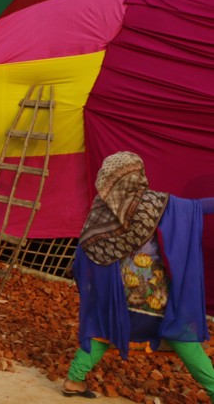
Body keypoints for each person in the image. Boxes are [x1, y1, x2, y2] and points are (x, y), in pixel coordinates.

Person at [62, 151, 214, 399]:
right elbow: (196, 207)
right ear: (137, 176)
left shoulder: (102, 205)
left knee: (103, 330)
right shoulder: (154, 203)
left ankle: (74, 380)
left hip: (116, 294)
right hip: (153, 295)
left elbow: (87, 248)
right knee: (183, 336)